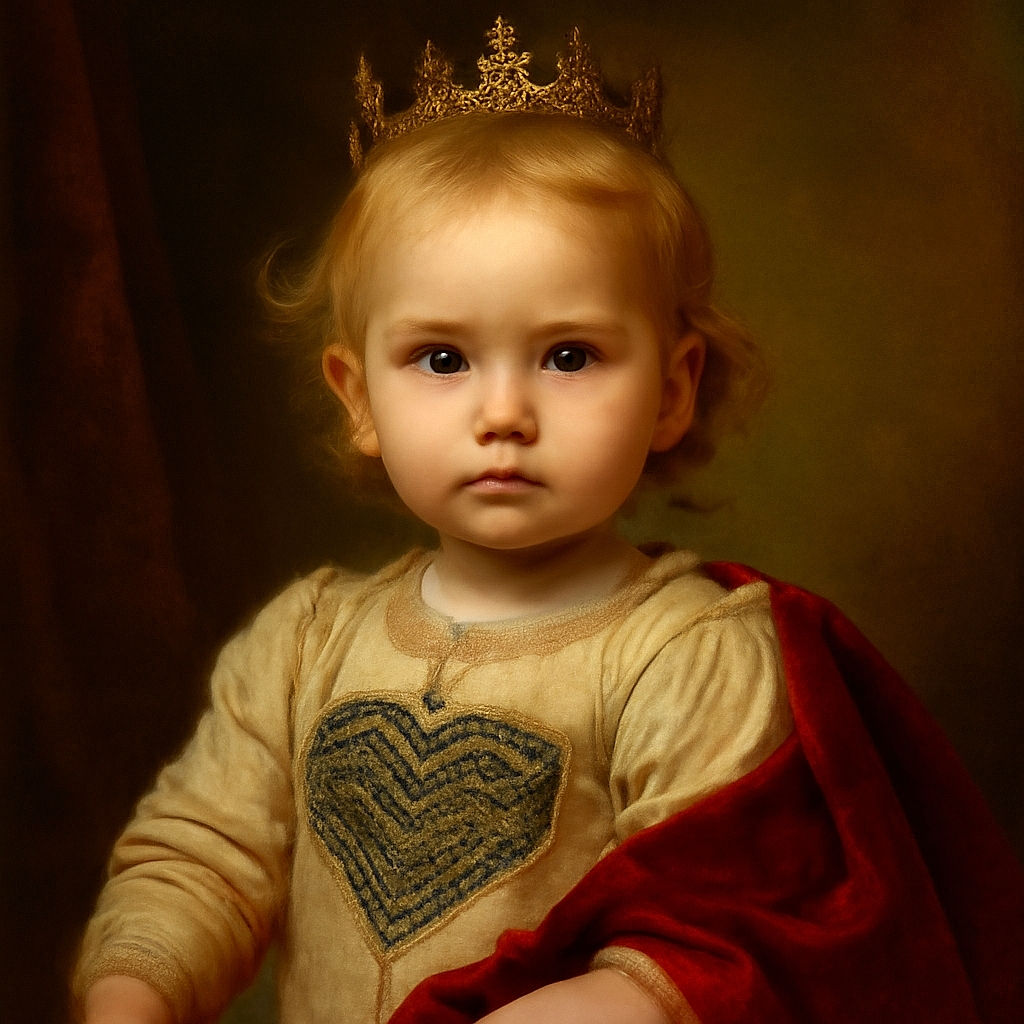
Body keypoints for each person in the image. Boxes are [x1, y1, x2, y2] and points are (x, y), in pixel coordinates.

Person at [74, 19, 1022, 1024]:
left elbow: (717, 941)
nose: (503, 414)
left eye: (568, 356)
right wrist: (135, 991)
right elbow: (201, 858)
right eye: (441, 358)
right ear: (357, 397)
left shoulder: (689, 655)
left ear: (671, 387)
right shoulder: (303, 645)